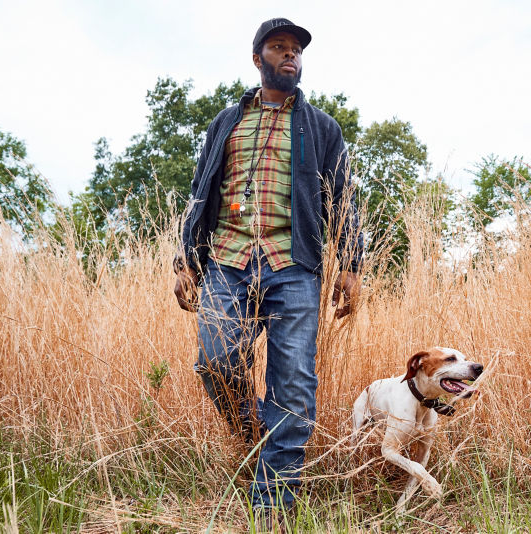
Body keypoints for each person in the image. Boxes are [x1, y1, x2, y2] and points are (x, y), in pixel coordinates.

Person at [172, 17, 362, 513]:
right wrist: (185, 260)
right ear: (259, 59)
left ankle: (273, 506)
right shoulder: (226, 122)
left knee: (293, 381)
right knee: (214, 362)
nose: (290, 55)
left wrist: (350, 264)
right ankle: (260, 433)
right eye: (279, 47)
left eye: (296, 49)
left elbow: (343, 197)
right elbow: (199, 195)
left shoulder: (321, 127)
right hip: (227, 261)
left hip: (294, 266)